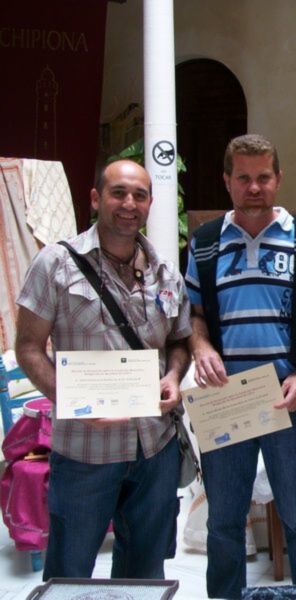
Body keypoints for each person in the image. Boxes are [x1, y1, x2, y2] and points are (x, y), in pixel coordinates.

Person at [14, 159, 192, 579]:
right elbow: (28, 347)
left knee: (144, 572)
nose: (129, 204)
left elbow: (179, 341)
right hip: (85, 450)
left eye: (140, 195)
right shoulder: (55, 263)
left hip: (154, 447)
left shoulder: (165, 271)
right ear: (96, 198)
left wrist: (173, 376)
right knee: (70, 570)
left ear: (149, 204)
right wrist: (70, 399)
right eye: (118, 193)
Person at [185, 134, 296, 599]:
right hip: (226, 395)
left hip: (287, 397)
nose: (253, 187)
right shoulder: (205, 243)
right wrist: (201, 347)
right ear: (226, 180)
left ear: (278, 178)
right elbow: (194, 315)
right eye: (243, 177)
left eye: (263, 177)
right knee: (225, 521)